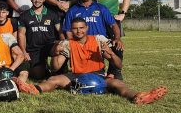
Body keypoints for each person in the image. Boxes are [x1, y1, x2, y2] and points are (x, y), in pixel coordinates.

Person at [12, 18, 167, 105]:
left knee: (118, 84)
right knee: (54, 79)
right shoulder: (67, 43)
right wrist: (55, 54)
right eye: (75, 29)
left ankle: (138, 96)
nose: (78, 31)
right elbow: (55, 67)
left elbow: (119, 65)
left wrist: (110, 55)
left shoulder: (99, 40)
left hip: (98, 75)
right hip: (77, 75)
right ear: (71, 30)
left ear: (86, 28)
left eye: (81, 28)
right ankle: (34, 89)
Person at [62, 0, 123, 79]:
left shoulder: (101, 8)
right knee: (61, 49)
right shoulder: (73, 10)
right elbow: (68, 30)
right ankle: (63, 71)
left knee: (117, 46)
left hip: (99, 42)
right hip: (81, 43)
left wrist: (117, 38)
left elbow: (114, 25)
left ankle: (114, 72)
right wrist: (73, 43)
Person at [87, 0, 131, 80]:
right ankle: (99, 70)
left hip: (112, 17)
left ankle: (115, 72)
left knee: (116, 45)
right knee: (95, 44)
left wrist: (123, 13)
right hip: (95, 18)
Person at [17, 0, 62, 80]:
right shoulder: (24, 15)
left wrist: (62, 42)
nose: (37, 0)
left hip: (49, 45)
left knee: (60, 49)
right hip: (34, 48)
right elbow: (21, 34)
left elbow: (60, 31)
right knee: (38, 76)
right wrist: (24, 51)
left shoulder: (52, 14)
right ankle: (46, 69)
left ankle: (60, 71)